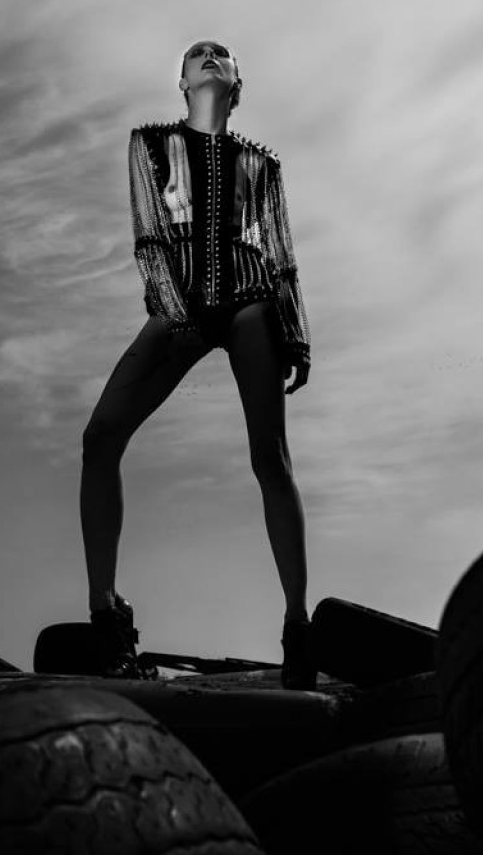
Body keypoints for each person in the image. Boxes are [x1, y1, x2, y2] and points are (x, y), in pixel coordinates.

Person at [79, 39, 315, 689]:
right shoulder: (149, 146)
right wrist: (173, 309)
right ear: (182, 83)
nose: (209, 57)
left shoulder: (262, 165)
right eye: (197, 55)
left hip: (250, 303)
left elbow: (280, 252)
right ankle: (106, 615)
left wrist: (295, 332)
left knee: (271, 459)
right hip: (179, 305)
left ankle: (298, 626)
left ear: (238, 85)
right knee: (100, 438)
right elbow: (149, 236)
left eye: (222, 55)